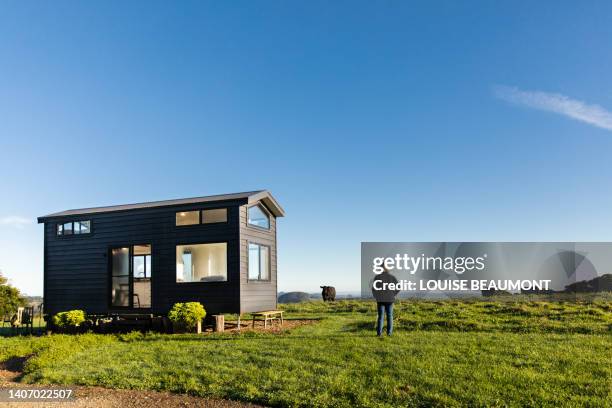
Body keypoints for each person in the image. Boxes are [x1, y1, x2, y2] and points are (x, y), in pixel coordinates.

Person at [371, 266, 400, 336]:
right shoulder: (392, 277)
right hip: (390, 299)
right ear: (388, 270)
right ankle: (389, 333)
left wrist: (376, 296)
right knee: (390, 316)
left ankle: (379, 334)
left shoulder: (377, 277)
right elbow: (398, 287)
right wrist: (393, 294)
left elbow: (373, 289)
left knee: (381, 317)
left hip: (380, 299)